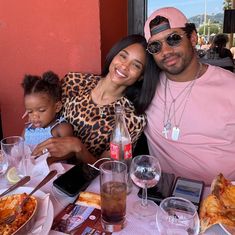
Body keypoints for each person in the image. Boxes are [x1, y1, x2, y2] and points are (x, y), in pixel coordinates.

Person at [32, 35, 158, 166]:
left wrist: (79, 148)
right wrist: (36, 110)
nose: (125, 66)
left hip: (83, 182)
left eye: (136, 65)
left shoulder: (131, 118)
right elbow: (46, 113)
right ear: (114, 55)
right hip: (43, 166)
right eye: (123, 56)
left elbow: (111, 168)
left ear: (141, 76)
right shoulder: (73, 82)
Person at [143, 7, 235, 184]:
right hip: (164, 196)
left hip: (220, 198)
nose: (166, 51)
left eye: (174, 39)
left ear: (192, 38)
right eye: (156, 46)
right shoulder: (148, 87)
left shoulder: (230, 86)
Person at [21, 71, 74, 158]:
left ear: (57, 107)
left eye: (41, 110)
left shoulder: (61, 128)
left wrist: (51, 159)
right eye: (30, 111)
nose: (34, 116)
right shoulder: (28, 129)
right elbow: (20, 148)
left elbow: (71, 152)